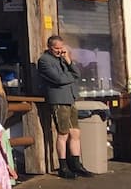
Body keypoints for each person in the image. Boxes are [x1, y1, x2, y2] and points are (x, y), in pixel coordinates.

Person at [37, 35, 92, 178]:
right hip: (59, 99)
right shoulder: (44, 61)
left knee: (75, 133)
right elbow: (59, 79)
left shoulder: (63, 59)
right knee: (63, 133)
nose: (60, 51)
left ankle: (76, 164)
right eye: (57, 48)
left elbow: (77, 73)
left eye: (61, 48)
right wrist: (71, 77)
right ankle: (63, 166)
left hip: (71, 97)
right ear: (49, 47)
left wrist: (68, 61)